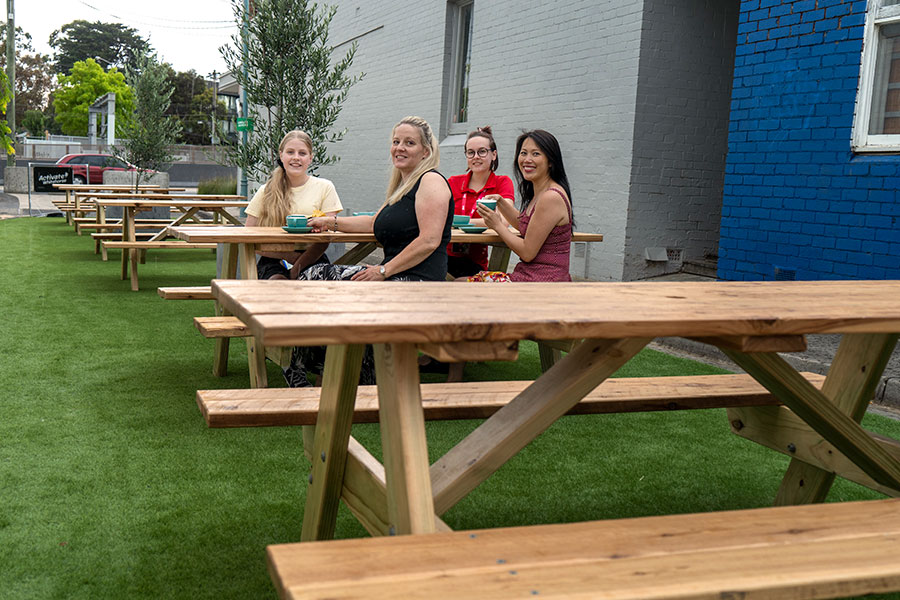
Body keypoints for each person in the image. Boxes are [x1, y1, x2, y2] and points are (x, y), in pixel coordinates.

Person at [281, 116, 453, 387]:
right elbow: (375, 223)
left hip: (416, 283)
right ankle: (344, 373)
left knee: (314, 276)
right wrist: (331, 222)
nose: (400, 148)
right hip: (396, 277)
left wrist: (383, 270)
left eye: (409, 143)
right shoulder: (404, 186)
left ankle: (303, 370)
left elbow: (429, 241)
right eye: (396, 142)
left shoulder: (431, 181)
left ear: (426, 151)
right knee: (318, 280)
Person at [471, 129, 573, 282]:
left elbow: (527, 252)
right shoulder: (540, 193)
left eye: (536, 154)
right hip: (531, 276)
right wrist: (501, 202)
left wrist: (497, 225)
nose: (527, 159)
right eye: (523, 153)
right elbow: (526, 226)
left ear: (551, 161)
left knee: (462, 285)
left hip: (543, 281)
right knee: (466, 281)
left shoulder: (551, 197)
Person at [243, 130, 342, 280]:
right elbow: (248, 236)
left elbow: (325, 238)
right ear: (281, 155)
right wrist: (288, 256)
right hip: (273, 258)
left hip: (313, 257)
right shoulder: (266, 191)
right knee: (278, 284)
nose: (296, 157)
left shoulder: (325, 187)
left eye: (302, 153)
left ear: (310, 158)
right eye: (290, 152)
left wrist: (298, 266)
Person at [446, 126, 514, 277]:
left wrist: (458, 222)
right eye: (471, 152)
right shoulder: (453, 182)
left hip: (475, 265)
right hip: (444, 258)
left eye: (482, 151)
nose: (476, 156)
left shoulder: (502, 183)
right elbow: (438, 217)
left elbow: (504, 221)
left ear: (494, 154)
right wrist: (485, 221)